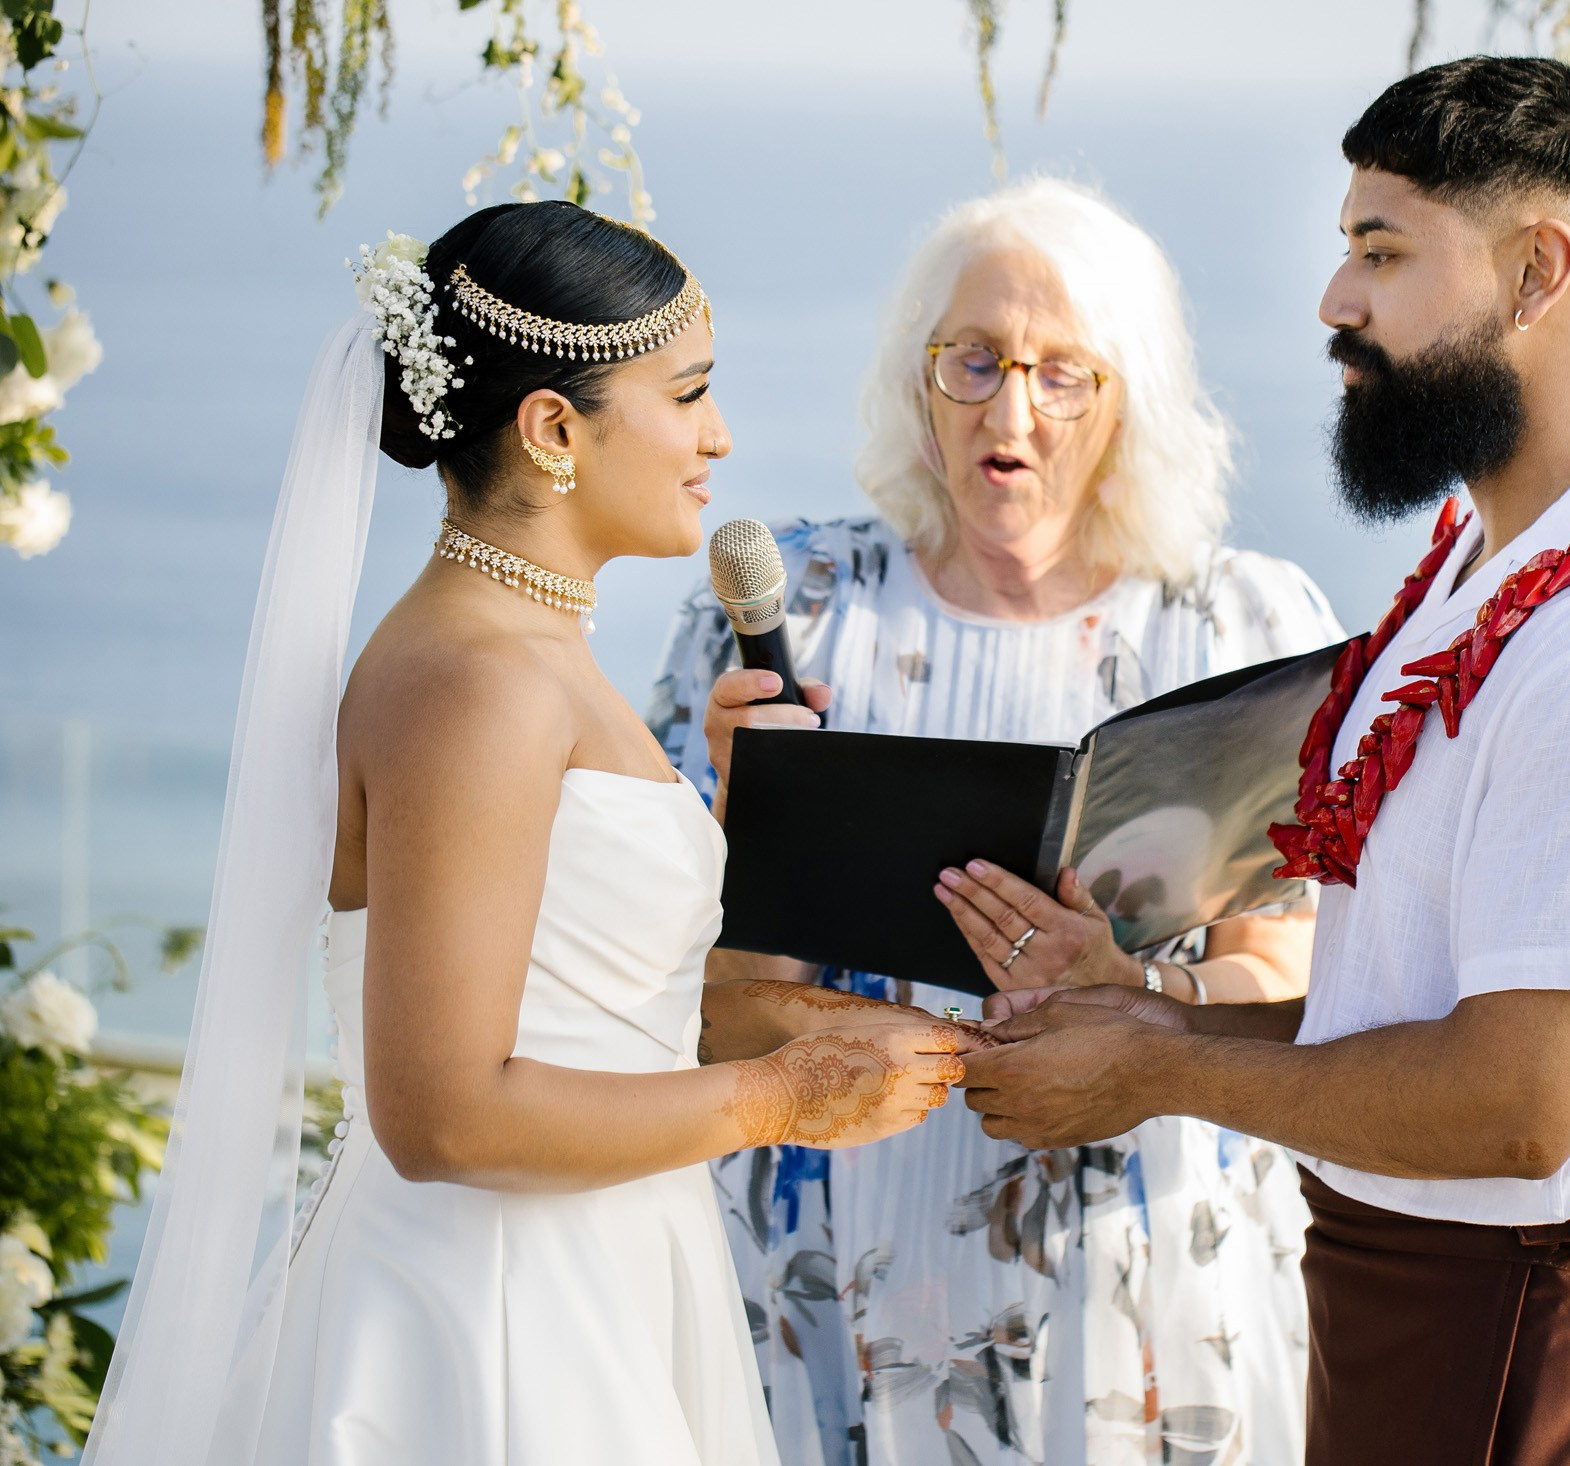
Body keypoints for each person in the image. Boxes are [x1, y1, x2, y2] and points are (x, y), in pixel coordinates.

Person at [956, 59, 1570, 1466]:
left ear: (1537, 272)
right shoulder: (1485, 587)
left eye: (1383, 252)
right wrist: (1150, 1013)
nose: (1334, 301)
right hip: (1404, 1320)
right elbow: (1401, 1010)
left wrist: (1161, 1071)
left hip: (1539, 1356)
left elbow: (1516, 1101)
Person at [84, 201, 977, 1466]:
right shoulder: (478, 682)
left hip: (600, 1268)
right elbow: (441, 1112)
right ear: (555, 426)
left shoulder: (529, 656)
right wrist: (783, 1097)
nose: (718, 435)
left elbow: (635, 1011)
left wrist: (747, 810)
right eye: (688, 393)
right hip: (487, 1316)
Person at [651, 178, 1342, 1466]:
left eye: (1062, 373)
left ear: (1129, 399)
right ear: (921, 384)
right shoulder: (788, 607)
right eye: (971, 361)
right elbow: (674, 1002)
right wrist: (750, 837)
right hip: (827, 1275)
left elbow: (1298, 985)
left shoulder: (1245, 626)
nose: (1007, 411)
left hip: (1135, 1294)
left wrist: (1130, 992)